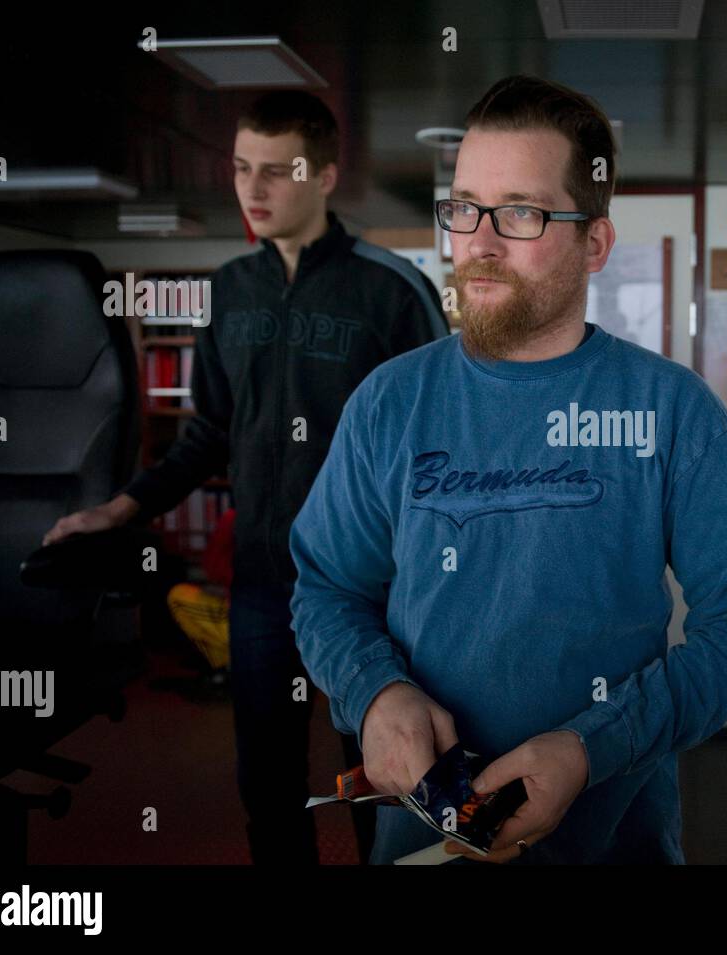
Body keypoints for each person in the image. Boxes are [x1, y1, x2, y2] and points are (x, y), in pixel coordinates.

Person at [289, 74, 727, 865]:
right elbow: (327, 586)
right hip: (426, 836)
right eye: (463, 208)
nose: (479, 242)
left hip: (614, 835)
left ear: (594, 241)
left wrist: (592, 746)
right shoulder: (389, 403)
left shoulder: (673, 412)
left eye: (520, 212)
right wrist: (376, 692)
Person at [42, 90, 449, 864]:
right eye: (240, 169)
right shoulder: (229, 291)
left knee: (382, 779)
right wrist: (122, 508)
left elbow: (448, 440)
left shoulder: (391, 289)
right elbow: (209, 434)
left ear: (326, 175)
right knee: (265, 781)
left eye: (277, 170)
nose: (253, 190)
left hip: (380, 588)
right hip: (265, 582)